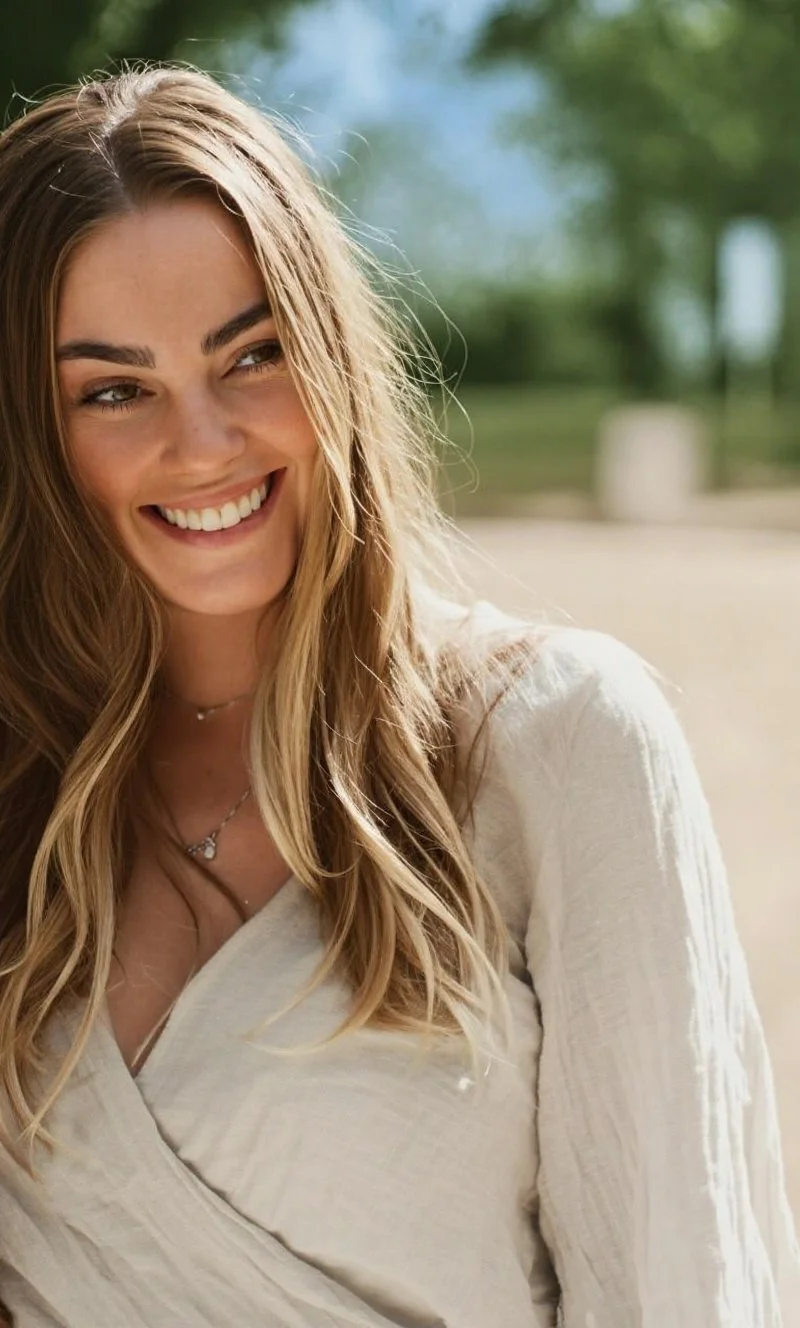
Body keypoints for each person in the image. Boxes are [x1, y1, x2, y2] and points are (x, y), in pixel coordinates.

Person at [0, 64, 796, 1328]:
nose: (201, 441)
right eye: (113, 388)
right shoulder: (23, 795)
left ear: (331, 356)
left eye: (251, 355)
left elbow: (680, 1282)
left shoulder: (554, 742)